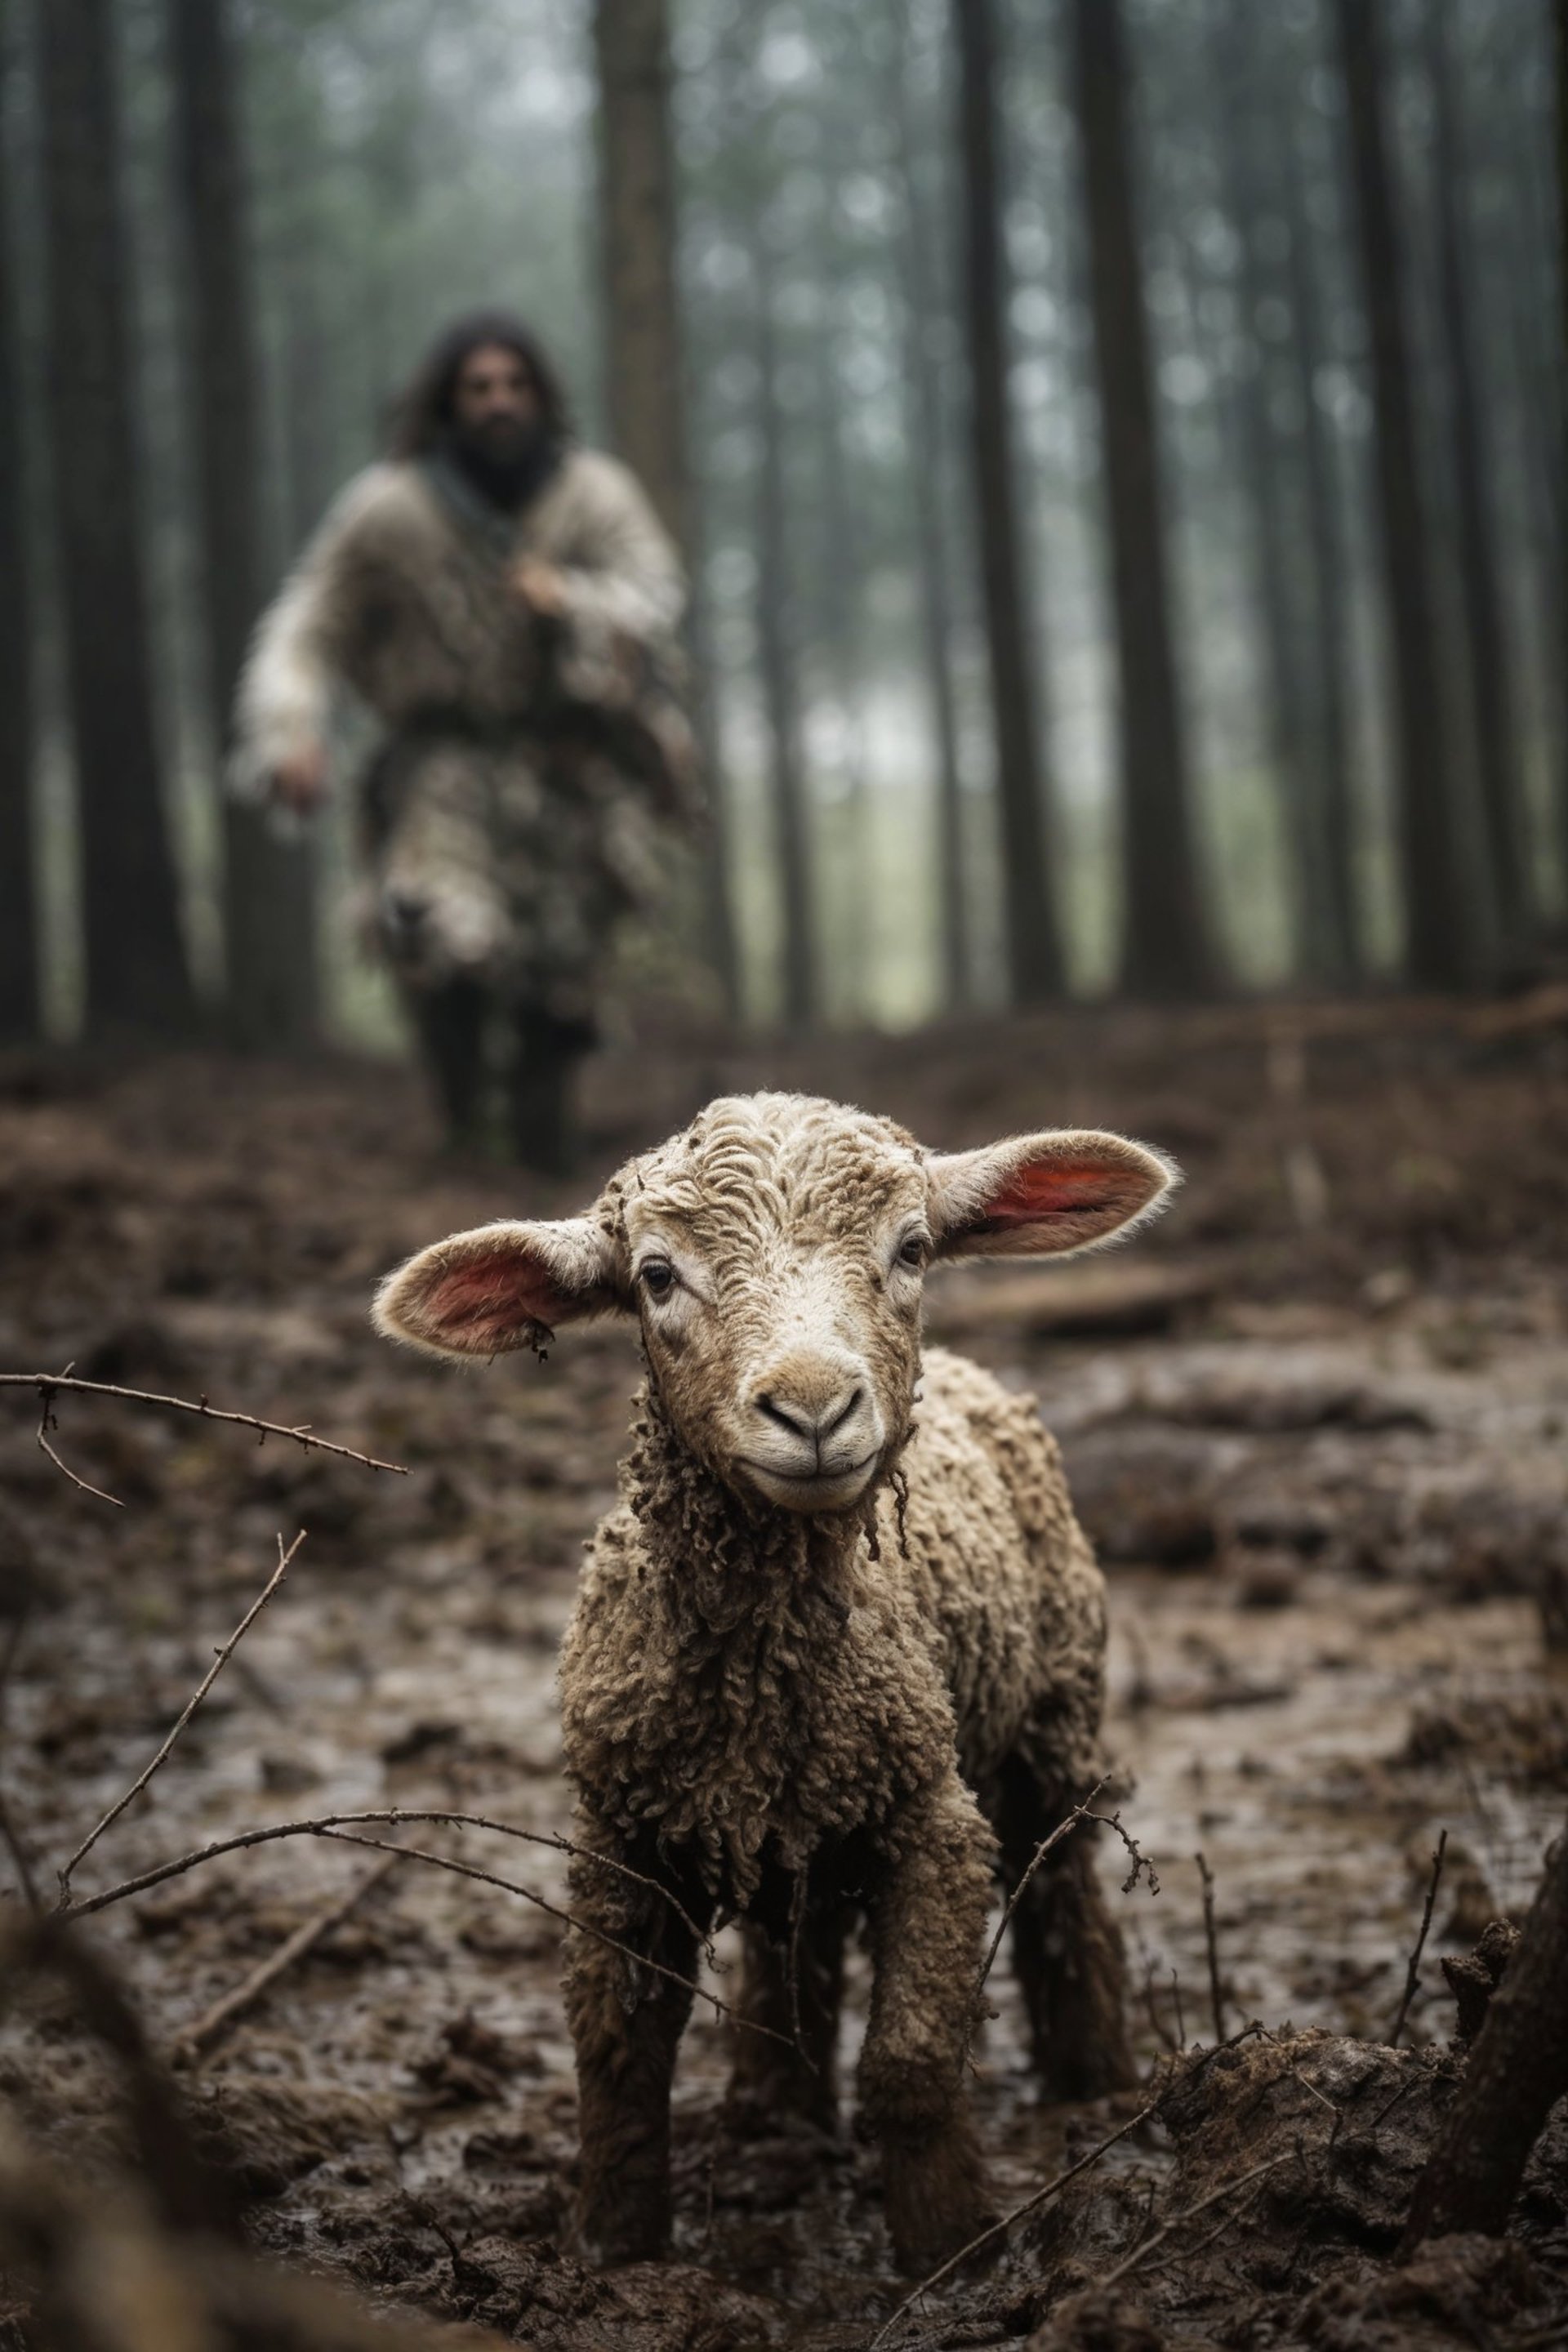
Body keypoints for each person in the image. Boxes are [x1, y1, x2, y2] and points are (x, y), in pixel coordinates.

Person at [233, 310, 698, 1173]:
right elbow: (308, 622)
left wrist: (571, 600)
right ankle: (463, 1125)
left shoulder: (594, 495)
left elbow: (656, 597)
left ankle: (542, 1138)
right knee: (436, 935)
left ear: (542, 397)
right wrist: (286, 729)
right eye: (478, 388)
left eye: (515, 386)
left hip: (573, 770)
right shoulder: (389, 510)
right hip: (440, 768)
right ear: (446, 402)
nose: (499, 403)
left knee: (563, 976)